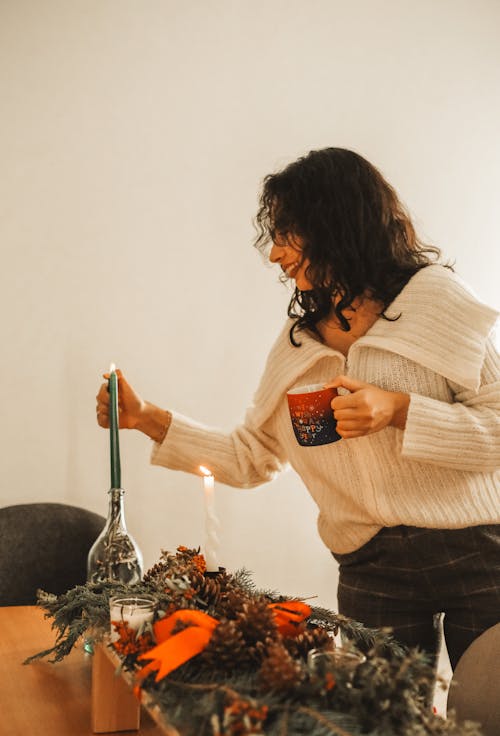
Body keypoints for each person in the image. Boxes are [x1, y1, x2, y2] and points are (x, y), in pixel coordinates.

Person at [96, 147, 500, 673]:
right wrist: (145, 417)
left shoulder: (437, 304)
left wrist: (400, 409)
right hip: (370, 569)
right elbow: (251, 456)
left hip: (477, 551)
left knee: (489, 716)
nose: (274, 254)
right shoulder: (297, 348)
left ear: (334, 222)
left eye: (287, 234)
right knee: (380, 729)